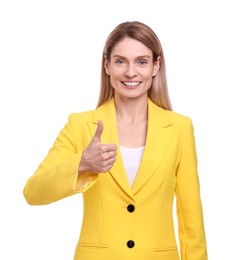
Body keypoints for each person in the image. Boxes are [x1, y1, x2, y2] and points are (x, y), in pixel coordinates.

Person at [23, 21, 208, 260]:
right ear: (107, 65)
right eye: (121, 61)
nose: (131, 72)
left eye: (141, 61)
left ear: (155, 66)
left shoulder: (179, 128)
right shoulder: (81, 125)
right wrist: (82, 164)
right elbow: (33, 192)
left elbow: (190, 218)